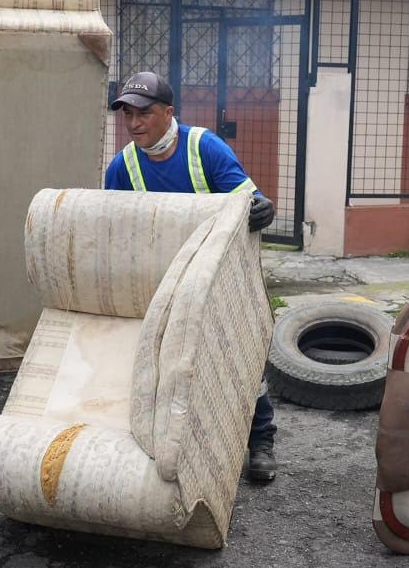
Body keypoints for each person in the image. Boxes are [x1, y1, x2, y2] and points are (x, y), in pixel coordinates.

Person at [104, 71, 279, 483]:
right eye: (127, 114)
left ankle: (261, 442)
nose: (134, 124)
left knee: (239, 358)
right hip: (162, 281)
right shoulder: (123, 166)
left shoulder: (205, 148)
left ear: (168, 113)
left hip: (218, 276)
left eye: (144, 113)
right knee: (163, 366)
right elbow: (112, 227)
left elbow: (247, 202)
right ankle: (169, 442)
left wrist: (262, 208)